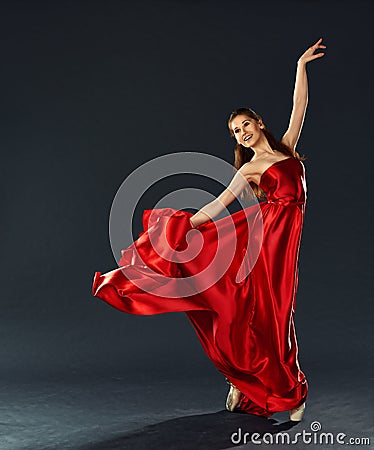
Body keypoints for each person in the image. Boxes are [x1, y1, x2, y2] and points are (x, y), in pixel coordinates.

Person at [92, 38, 326, 421]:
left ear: (259, 123)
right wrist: (180, 224)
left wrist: (301, 65)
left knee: (280, 315)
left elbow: (300, 106)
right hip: (263, 246)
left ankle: (269, 386)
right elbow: (218, 205)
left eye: (245, 125)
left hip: (286, 247)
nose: (242, 134)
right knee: (261, 316)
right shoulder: (248, 171)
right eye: (235, 132)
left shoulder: (286, 149)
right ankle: (269, 387)